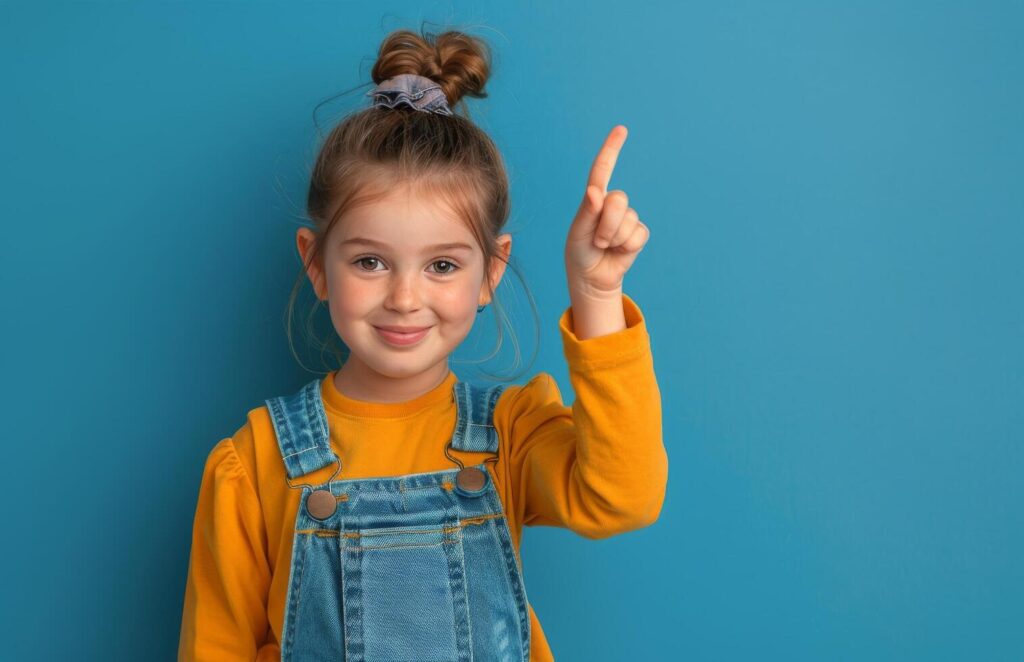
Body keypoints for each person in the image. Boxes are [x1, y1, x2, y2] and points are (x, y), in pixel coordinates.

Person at [177, 26, 667, 662]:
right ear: (317, 264)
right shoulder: (255, 464)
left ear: (490, 273)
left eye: (442, 266)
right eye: (371, 262)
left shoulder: (512, 434)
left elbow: (623, 497)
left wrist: (597, 295)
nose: (405, 298)